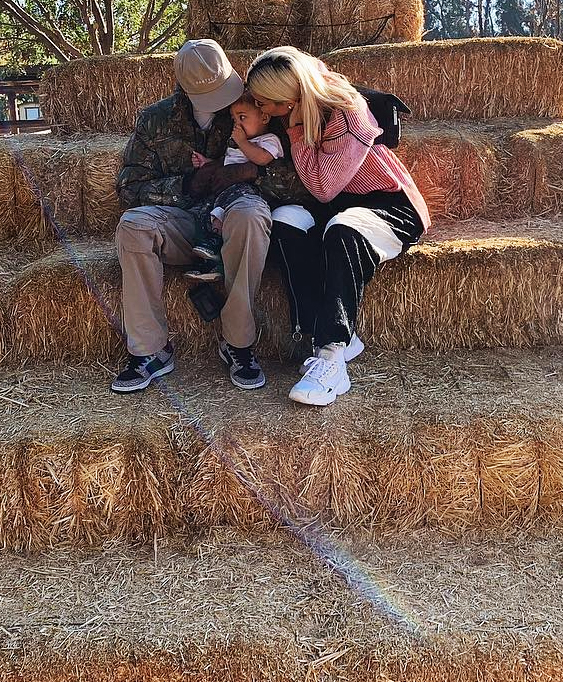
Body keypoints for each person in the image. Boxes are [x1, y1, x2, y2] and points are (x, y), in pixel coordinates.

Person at [112, 39, 307, 394]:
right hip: (182, 221)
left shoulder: (254, 105)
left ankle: (238, 343)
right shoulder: (155, 120)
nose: (225, 103)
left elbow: (302, 179)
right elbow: (129, 188)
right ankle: (150, 351)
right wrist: (188, 184)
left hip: (235, 213)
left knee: (250, 217)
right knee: (134, 225)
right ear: (185, 90)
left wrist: (250, 173)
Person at [245, 45, 431, 407]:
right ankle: (318, 335)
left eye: (264, 102)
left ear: (288, 97)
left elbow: (322, 185)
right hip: (336, 206)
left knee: (343, 229)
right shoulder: (304, 102)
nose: (261, 110)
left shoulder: (347, 114)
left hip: (388, 203)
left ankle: (333, 357)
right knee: (285, 222)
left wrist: (296, 129)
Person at [185, 93, 285, 282]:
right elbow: (228, 162)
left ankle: (216, 251)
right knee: (204, 214)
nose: (237, 124)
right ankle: (209, 258)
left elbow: (262, 159)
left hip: (247, 191)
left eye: (243, 117)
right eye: (234, 119)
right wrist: (207, 163)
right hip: (225, 192)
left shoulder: (269, 140)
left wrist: (242, 142)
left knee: (228, 219)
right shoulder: (238, 143)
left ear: (264, 117)